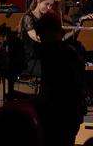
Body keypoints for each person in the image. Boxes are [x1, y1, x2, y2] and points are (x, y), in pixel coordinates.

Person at [34, 12, 87, 146]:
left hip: (56, 114)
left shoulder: (48, 53)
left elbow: (50, 91)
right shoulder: (71, 51)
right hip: (71, 113)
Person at [19, 0, 55, 78]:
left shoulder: (46, 18)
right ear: (38, 1)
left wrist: (76, 28)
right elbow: (35, 37)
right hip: (31, 59)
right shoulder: (28, 17)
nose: (49, 8)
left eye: (51, 5)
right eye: (47, 4)